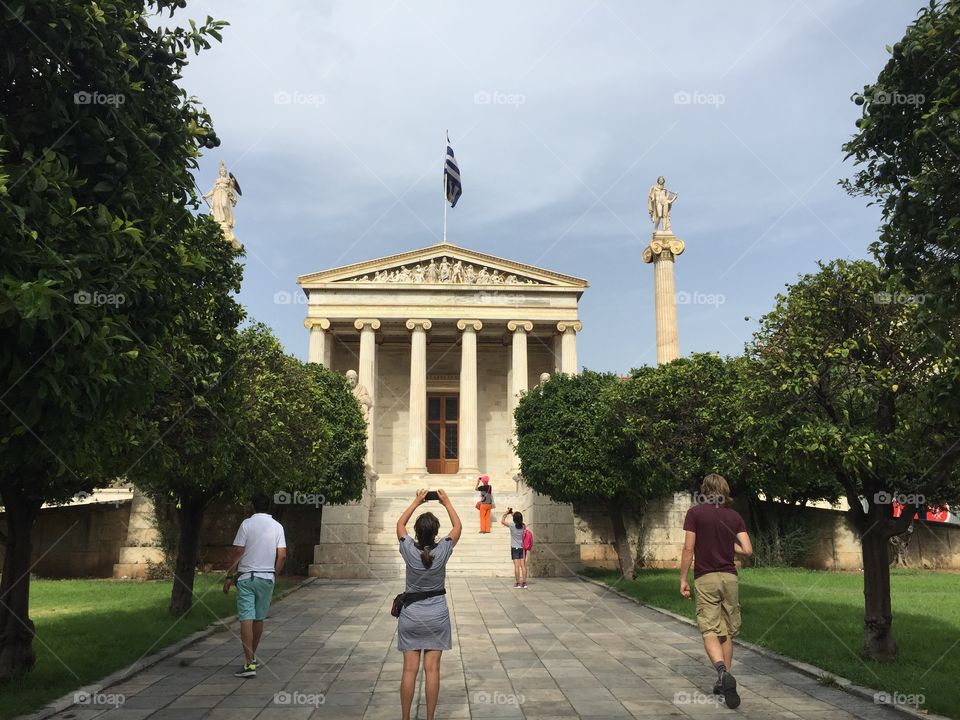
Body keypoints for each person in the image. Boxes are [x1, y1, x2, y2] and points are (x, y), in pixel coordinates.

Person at [679, 474, 753, 709]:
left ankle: (721, 672)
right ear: (724, 490)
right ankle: (724, 681)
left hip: (706, 578)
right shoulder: (734, 516)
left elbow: (689, 547)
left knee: (709, 628)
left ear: (705, 489)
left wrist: (683, 578)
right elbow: (748, 550)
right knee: (727, 631)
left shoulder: (695, 513)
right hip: (730, 578)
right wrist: (726, 543)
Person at [396, 488, 462, 720]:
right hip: (437, 616)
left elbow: (399, 525)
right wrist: (446, 501)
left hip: (411, 616)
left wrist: (416, 501)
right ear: (435, 533)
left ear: (417, 532)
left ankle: (405, 718)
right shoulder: (443, 548)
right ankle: (430, 718)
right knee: (432, 669)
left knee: (409, 670)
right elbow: (457, 528)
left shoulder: (407, 548)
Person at [223, 492, 287, 679]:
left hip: (246, 578)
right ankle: (251, 658)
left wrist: (229, 575)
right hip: (267, 578)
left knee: (246, 619)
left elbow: (238, 551)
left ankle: (249, 663)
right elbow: (282, 555)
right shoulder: (277, 526)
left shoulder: (246, 524)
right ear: (270, 507)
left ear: (253, 506)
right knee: (259, 619)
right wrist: (275, 573)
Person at [501, 508, 528, 588]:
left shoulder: (512, 525)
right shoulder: (523, 526)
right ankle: (524, 583)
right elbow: (518, 520)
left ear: (514, 519)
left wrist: (506, 513)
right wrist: (512, 513)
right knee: (523, 566)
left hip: (514, 548)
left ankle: (518, 583)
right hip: (522, 548)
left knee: (516, 566)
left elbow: (502, 521)